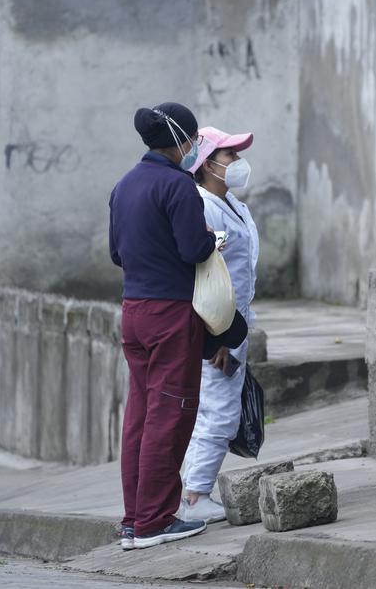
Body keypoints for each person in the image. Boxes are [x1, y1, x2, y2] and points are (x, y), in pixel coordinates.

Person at [109, 102, 215, 550]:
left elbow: (117, 254)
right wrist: (215, 241)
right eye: (193, 141)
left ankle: (134, 519)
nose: (196, 148)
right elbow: (194, 249)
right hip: (171, 313)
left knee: (139, 415)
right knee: (169, 414)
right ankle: (155, 520)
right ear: (182, 141)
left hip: (133, 310)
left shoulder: (124, 185)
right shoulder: (178, 186)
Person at [179, 126, 260, 523]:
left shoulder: (231, 203)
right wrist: (219, 339)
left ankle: (191, 491)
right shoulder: (202, 207)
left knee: (214, 410)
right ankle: (195, 496)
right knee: (221, 413)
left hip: (236, 323)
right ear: (207, 164)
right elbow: (207, 278)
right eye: (230, 156)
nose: (238, 163)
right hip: (220, 328)